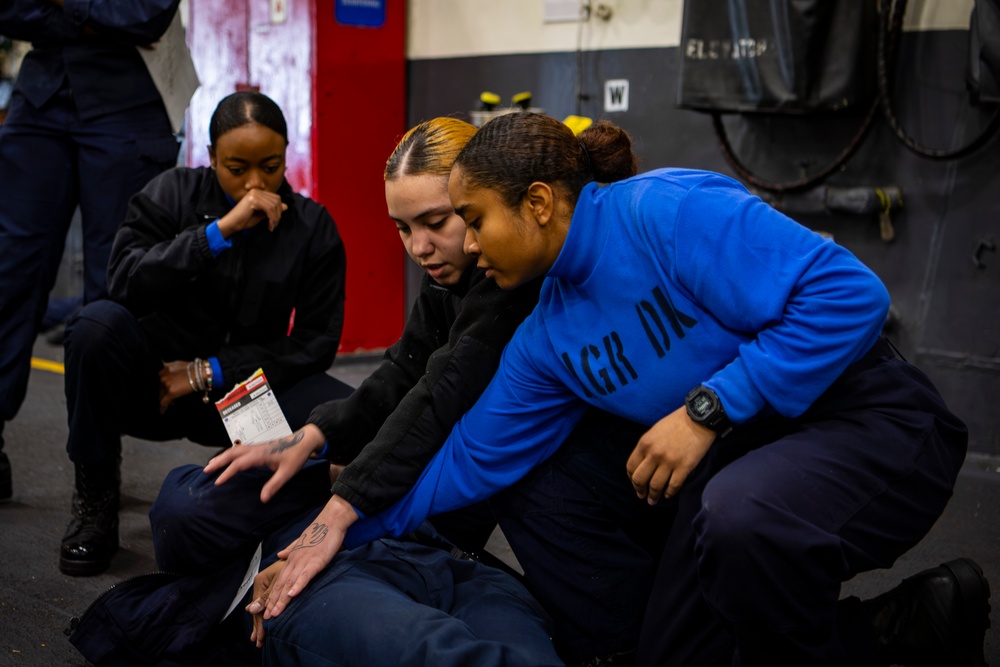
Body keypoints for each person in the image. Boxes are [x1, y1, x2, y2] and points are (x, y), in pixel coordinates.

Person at [241, 111, 987, 667]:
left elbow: (852, 298)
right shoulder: (547, 333)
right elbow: (470, 457)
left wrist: (707, 407)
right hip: (749, 454)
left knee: (740, 515)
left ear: (537, 202)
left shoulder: (663, 211)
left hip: (871, 419)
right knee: (667, 651)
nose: (464, 245)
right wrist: (330, 536)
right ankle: (905, 626)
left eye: (470, 220)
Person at [148, 117, 665, 666]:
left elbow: (441, 391)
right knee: (192, 502)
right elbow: (405, 368)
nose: (419, 247)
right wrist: (315, 437)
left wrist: (340, 508)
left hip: (552, 489)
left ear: (479, 200)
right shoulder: (448, 273)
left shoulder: (515, 280)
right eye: (401, 228)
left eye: (439, 221)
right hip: (440, 489)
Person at [59, 91, 351, 577]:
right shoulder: (172, 192)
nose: (256, 183)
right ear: (212, 158)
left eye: (272, 166)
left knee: (353, 414)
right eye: (237, 168)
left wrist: (208, 372)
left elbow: (316, 343)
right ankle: (95, 499)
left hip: (240, 393)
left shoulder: (313, 227)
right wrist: (217, 233)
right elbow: (124, 281)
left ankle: (296, 514)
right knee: (94, 327)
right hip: (152, 391)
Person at [0, 0, 183, 503]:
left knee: (114, 290)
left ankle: (97, 474)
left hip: (129, 98)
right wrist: (90, 13)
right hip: (40, 97)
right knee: (8, 273)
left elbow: (146, 13)